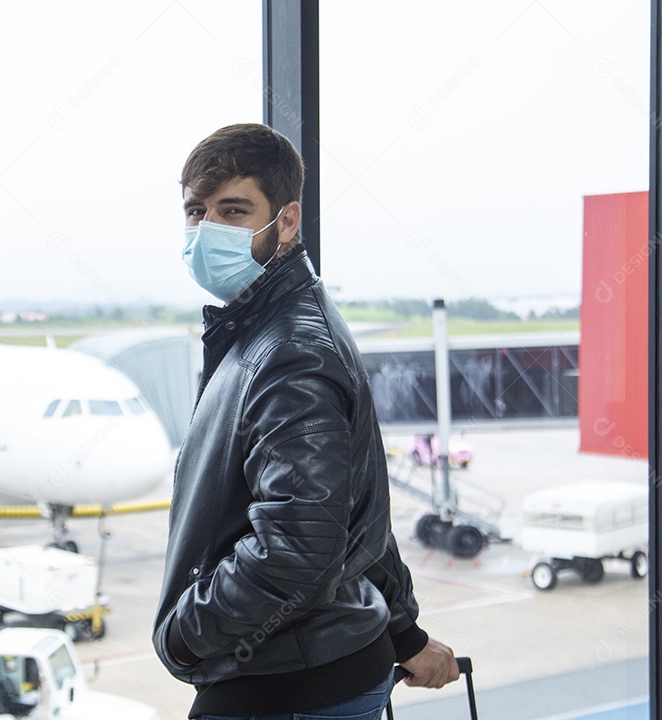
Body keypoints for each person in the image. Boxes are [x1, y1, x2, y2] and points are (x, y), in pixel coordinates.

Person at [152, 123, 459, 719]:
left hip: (287, 685)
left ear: (287, 221)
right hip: (319, 669)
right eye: (196, 212)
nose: (206, 230)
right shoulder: (269, 330)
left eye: (233, 211)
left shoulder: (290, 354)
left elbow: (296, 551)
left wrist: (182, 634)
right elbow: (352, 511)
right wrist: (405, 633)